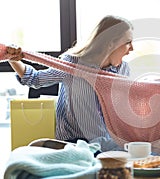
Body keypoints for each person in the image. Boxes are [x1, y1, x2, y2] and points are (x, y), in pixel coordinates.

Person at [7, 15, 134, 152]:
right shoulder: (71, 64)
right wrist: (12, 58)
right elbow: (34, 79)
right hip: (74, 142)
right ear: (111, 43)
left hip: (107, 142)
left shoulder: (122, 69)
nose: (131, 48)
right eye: (128, 42)